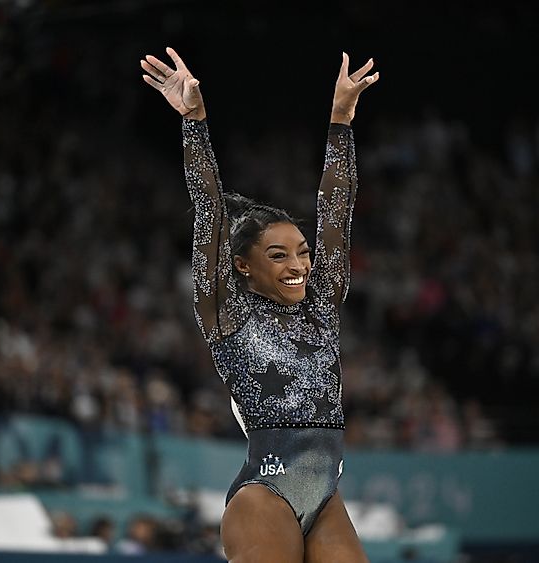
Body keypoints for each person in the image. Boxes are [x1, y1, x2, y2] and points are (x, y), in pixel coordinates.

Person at [141, 47, 378, 562]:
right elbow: (208, 207)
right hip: (264, 497)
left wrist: (340, 121)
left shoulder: (322, 306)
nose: (298, 265)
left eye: (303, 252)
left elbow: (337, 210)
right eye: (278, 255)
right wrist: (194, 122)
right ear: (243, 266)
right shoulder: (227, 312)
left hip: (325, 498)